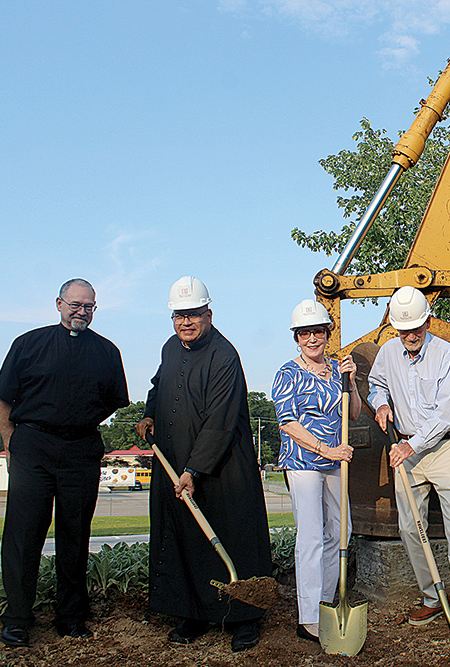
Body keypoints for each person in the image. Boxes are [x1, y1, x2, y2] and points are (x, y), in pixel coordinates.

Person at [135, 276, 271, 652]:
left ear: (208, 314)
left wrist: (193, 470)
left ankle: (244, 619)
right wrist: (149, 414)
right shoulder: (169, 348)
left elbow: (220, 419)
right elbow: (158, 385)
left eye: (193, 314)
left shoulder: (225, 355)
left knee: (233, 538)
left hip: (223, 469)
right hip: (176, 462)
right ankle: (191, 613)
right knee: (184, 539)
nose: (185, 322)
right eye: (179, 316)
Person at [0, 278, 129, 647]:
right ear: (58, 303)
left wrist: (80, 417)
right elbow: (2, 402)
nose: (81, 312)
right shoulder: (28, 345)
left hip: (81, 451)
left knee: (74, 536)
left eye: (89, 306)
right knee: (23, 536)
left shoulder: (106, 351)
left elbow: (115, 400)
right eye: (75, 304)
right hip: (32, 449)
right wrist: (12, 447)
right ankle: (18, 617)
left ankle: (70, 616)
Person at [367, 286, 450, 629]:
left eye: (416, 328)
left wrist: (409, 446)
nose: (411, 335)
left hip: (443, 447)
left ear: (428, 321)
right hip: (408, 453)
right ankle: (433, 596)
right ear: (395, 329)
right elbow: (376, 383)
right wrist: (381, 401)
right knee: (409, 527)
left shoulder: (445, 354)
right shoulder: (387, 352)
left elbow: (445, 414)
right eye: (404, 330)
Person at [271, 299, 360, 643]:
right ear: (297, 338)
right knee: (310, 537)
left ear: (328, 334)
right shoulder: (287, 373)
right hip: (304, 462)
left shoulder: (338, 370)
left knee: (342, 532)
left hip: (337, 461)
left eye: (318, 332)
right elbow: (288, 423)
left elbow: (353, 415)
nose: (312, 339)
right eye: (305, 333)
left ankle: (326, 603)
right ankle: (307, 617)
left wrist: (351, 380)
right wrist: (326, 449)